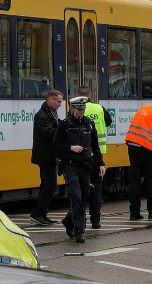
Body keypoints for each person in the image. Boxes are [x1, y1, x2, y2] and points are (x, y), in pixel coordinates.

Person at [54, 96, 104, 244]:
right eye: (79, 109)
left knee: (84, 197)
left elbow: (95, 145)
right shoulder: (64, 124)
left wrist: (101, 163)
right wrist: (71, 148)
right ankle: (79, 232)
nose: (81, 112)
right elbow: (56, 145)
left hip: (85, 166)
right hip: (70, 166)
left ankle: (68, 221)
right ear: (72, 109)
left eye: (83, 109)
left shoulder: (89, 124)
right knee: (75, 197)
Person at [76, 86, 112, 229]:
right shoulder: (100, 108)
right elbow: (108, 122)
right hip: (98, 155)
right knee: (96, 189)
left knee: (81, 188)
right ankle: (95, 221)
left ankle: (81, 219)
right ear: (90, 95)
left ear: (77, 96)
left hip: (81, 155)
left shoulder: (75, 110)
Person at [30, 89, 63, 225]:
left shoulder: (50, 113)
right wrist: (62, 131)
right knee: (49, 185)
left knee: (47, 185)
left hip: (49, 155)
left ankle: (42, 213)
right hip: (45, 155)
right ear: (50, 100)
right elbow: (49, 133)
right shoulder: (42, 116)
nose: (60, 104)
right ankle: (38, 213)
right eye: (58, 102)